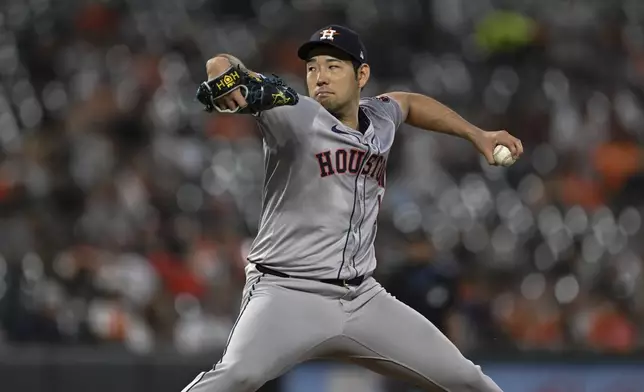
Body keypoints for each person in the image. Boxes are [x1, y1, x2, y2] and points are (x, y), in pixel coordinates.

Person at [184, 24, 523, 392]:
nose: (320, 77)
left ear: (362, 75)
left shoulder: (379, 118)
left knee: (468, 380)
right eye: (312, 68)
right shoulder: (293, 113)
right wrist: (226, 76)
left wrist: (478, 135)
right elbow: (224, 63)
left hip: (362, 298)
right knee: (236, 377)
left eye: (333, 66)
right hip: (286, 293)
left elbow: (408, 104)